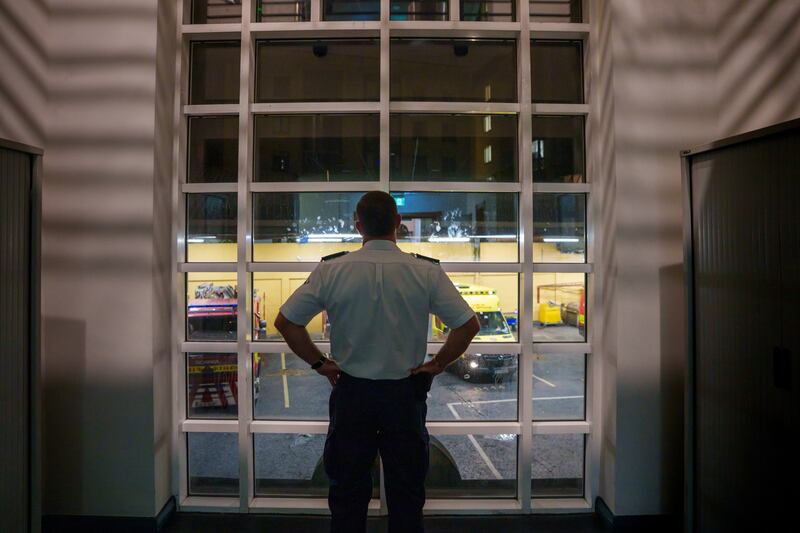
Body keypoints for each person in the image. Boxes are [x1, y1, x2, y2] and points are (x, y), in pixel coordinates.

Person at [274, 191, 480, 533]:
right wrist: (437, 364)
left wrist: (320, 364)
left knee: (347, 493)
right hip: (404, 396)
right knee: (407, 493)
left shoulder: (332, 270)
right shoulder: (425, 272)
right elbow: (467, 326)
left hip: (352, 394)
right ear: (398, 224)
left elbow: (286, 323)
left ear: (358, 226)